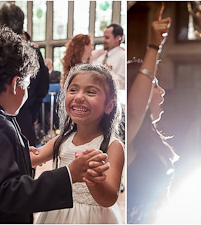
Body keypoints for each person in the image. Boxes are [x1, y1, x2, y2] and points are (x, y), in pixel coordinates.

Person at [0, 27, 110, 223]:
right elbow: (8, 192)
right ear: (15, 85)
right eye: (27, 85)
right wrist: (69, 174)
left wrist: (19, 155)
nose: (27, 91)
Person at [30, 64, 124, 223]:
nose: (79, 96)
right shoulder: (62, 140)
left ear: (109, 106)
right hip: (58, 214)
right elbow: (33, 157)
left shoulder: (112, 146)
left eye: (90, 92)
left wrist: (93, 178)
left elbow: (109, 198)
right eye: (73, 90)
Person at [125, 4, 176, 223]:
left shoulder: (151, 136)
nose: (162, 91)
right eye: (154, 85)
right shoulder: (127, 136)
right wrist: (154, 46)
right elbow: (136, 111)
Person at [0, 2, 50, 145]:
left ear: (1, 23)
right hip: (24, 113)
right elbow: (42, 86)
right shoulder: (32, 51)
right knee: (26, 158)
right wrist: (32, 110)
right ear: (22, 23)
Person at [91, 24, 127, 91]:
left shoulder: (124, 57)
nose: (103, 40)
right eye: (104, 37)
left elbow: (123, 84)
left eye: (107, 38)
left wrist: (108, 74)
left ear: (117, 38)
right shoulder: (100, 56)